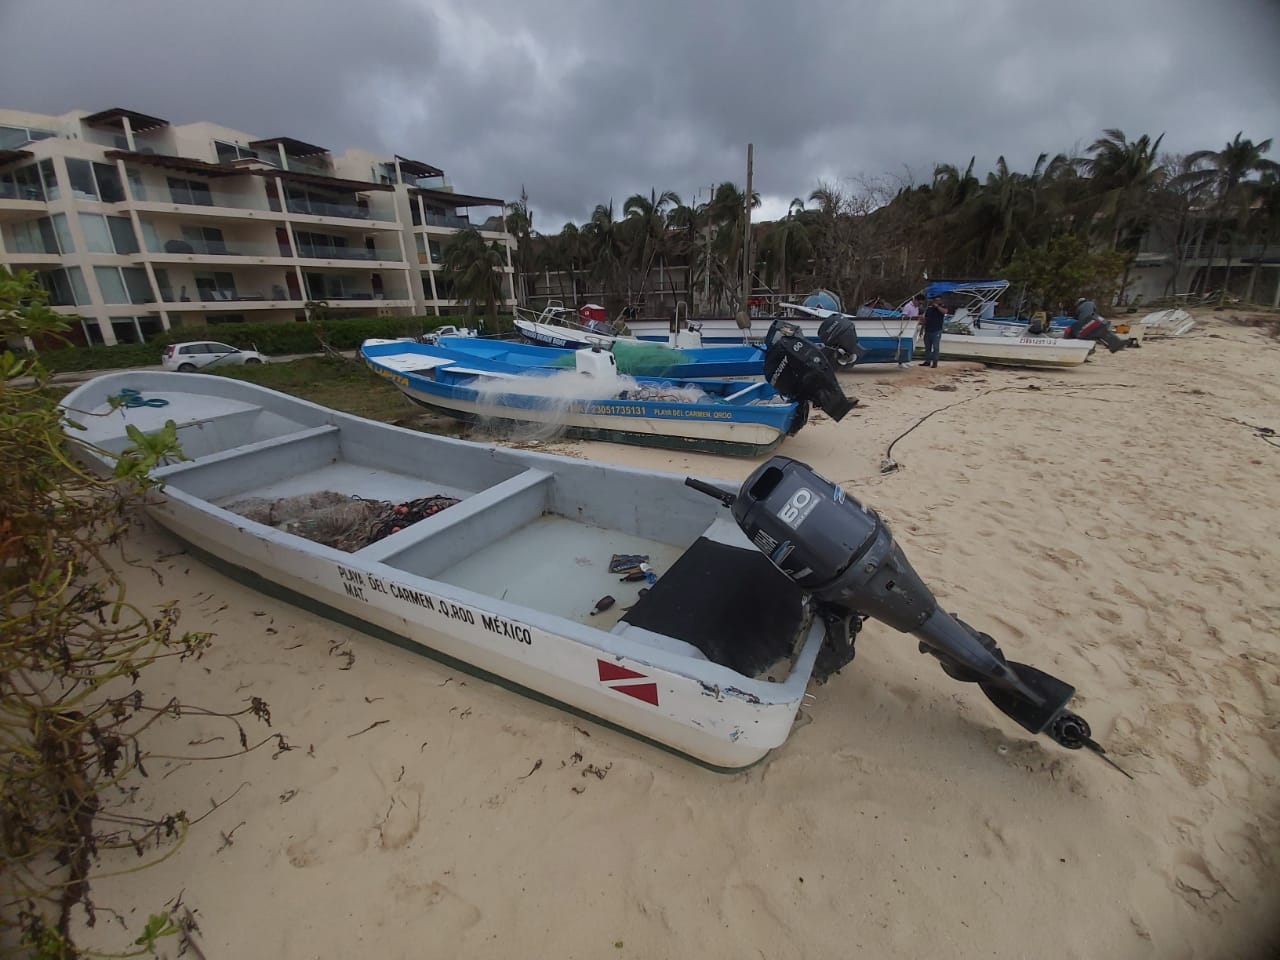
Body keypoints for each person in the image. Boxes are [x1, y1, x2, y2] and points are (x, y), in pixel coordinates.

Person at [922, 296, 945, 367]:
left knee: (935, 347)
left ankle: (935, 362)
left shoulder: (942, 308)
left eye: (938, 300)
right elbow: (925, 319)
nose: (936, 302)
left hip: (936, 330)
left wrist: (937, 306)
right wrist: (922, 329)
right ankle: (927, 361)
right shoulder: (929, 309)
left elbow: (945, 312)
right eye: (935, 300)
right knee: (927, 347)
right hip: (928, 330)